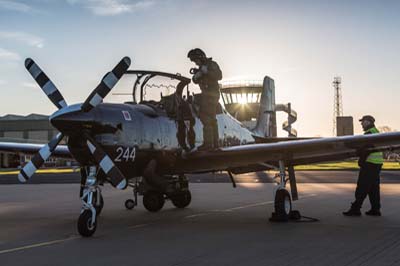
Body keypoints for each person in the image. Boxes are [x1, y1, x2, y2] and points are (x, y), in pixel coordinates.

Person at [343, 115, 384, 216]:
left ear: (369, 122)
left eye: (363, 122)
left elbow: (365, 149)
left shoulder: (369, 133)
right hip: (377, 164)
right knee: (373, 188)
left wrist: (359, 157)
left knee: (362, 186)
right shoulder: (376, 132)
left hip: (369, 163)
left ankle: (356, 209)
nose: (361, 124)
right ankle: (375, 209)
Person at [187, 48, 222, 151]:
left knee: (205, 117)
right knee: (211, 119)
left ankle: (208, 144)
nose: (195, 63)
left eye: (196, 60)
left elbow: (219, 76)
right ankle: (214, 144)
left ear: (201, 57)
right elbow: (195, 80)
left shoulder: (211, 65)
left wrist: (207, 72)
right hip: (207, 95)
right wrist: (197, 76)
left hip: (211, 95)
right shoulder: (201, 68)